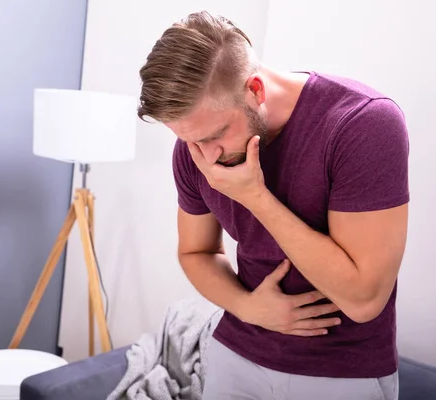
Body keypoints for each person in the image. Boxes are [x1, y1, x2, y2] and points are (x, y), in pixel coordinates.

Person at [137, 10, 409, 400]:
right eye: (188, 140)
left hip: (342, 372)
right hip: (236, 355)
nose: (206, 156)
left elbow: (364, 300)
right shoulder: (195, 148)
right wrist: (248, 308)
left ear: (256, 90)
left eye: (215, 135)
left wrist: (256, 198)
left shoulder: (362, 124)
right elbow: (195, 251)